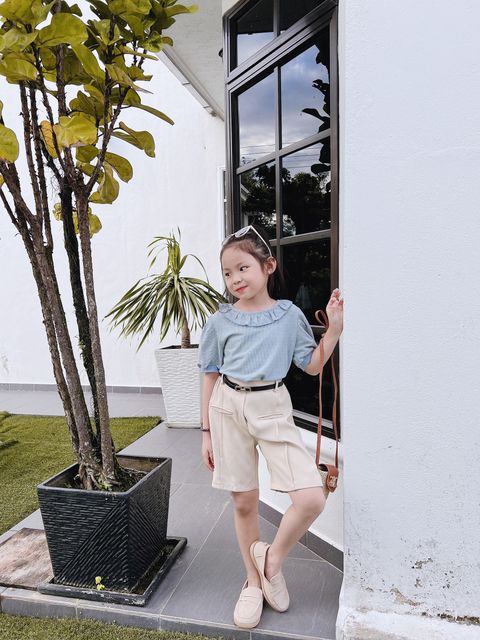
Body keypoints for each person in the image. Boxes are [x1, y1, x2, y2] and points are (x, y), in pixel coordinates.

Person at [197, 224, 344, 629]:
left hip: (273, 406)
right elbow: (209, 375)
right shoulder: (220, 321)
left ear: (268, 266)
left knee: (311, 498)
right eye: (227, 273)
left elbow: (312, 365)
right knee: (244, 501)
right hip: (227, 407)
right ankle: (252, 582)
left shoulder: (289, 316)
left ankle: (271, 561)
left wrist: (333, 331)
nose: (235, 279)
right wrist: (205, 432)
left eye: (242, 268)